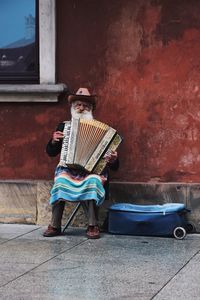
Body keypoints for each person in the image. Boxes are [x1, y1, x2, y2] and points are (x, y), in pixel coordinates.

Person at [43, 87, 119, 239]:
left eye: (85, 105)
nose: (81, 108)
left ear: (91, 109)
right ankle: (55, 225)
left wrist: (113, 159)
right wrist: (53, 141)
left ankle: (92, 225)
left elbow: (115, 166)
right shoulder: (63, 127)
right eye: (78, 105)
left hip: (91, 172)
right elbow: (51, 153)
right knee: (60, 181)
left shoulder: (103, 131)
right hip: (68, 170)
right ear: (72, 107)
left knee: (92, 181)